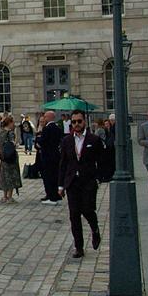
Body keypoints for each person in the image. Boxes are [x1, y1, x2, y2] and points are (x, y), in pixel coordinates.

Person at [58, 109, 107, 259]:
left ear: (84, 121)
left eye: (79, 121)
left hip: (88, 181)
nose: (77, 124)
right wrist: (61, 185)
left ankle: (95, 229)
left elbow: (102, 161)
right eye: (74, 122)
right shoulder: (67, 141)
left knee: (87, 209)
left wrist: (99, 178)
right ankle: (78, 247)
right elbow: (63, 163)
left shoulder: (94, 140)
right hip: (72, 182)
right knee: (74, 215)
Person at [35, 110, 64, 205]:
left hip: (47, 156)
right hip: (55, 155)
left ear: (50, 117)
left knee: (48, 177)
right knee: (55, 176)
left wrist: (38, 139)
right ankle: (56, 195)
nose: (45, 118)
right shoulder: (57, 127)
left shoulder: (47, 128)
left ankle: (51, 197)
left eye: (46, 117)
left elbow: (42, 142)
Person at [0, 112, 22, 203]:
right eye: (13, 123)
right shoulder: (10, 133)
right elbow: (13, 144)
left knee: (4, 176)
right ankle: (9, 196)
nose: (14, 124)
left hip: (3, 157)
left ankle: (4, 196)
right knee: (11, 176)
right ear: (9, 123)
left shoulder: (1, 132)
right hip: (11, 157)